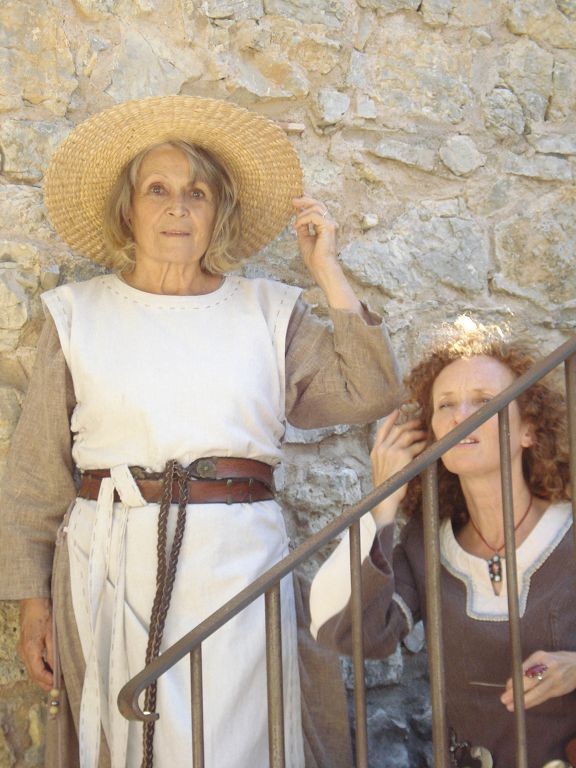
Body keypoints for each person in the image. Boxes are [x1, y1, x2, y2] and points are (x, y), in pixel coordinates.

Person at [0, 95, 401, 768]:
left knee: (241, 740)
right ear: (128, 210)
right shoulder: (77, 315)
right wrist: (31, 602)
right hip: (111, 565)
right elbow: (37, 473)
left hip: (238, 563)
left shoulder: (269, 312)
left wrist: (325, 270)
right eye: (157, 190)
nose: (178, 208)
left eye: (198, 193)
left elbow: (370, 391)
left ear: (219, 212)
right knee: (128, 743)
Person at [310, 317, 576, 768]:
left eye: (485, 401)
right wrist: (383, 501)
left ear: (529, 430)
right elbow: (344, 631)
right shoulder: (428, 545)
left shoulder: (568, 529)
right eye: (445, 404)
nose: (459, 416)